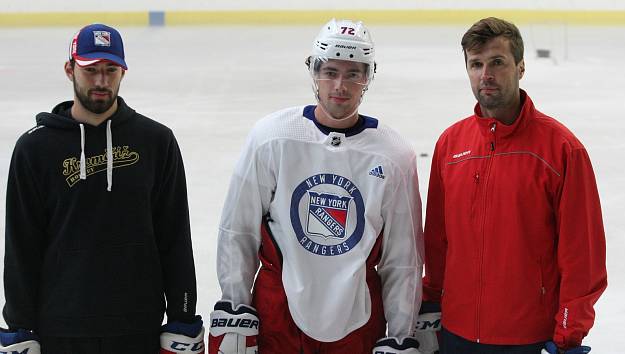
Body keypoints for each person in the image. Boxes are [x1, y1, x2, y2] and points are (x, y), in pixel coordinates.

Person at [208, 19, 424, 354]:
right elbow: (238, 229)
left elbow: (403, 257)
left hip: (358, 321)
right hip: (276, 315)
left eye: (353, 73)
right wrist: (235, 305)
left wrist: (400, 332)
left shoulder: (394, 155)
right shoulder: (272, 138)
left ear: (368, 77)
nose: (340, 85)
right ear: (313, 71)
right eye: (330, 71)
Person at [0, 24, 204, 354]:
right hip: (60, 329)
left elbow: (174, 236)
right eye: (90, 70)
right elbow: (22, 246)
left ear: (123, 72)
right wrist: (19, 327)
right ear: (70, 70)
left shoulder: (155, 142)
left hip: (139, 327)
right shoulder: (34, 149)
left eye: (110, 70)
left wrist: (182, 316)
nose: (100, 81)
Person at [419, 17, 607, 354]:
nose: (485, 74)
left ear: (520, 68)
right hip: (455, 333)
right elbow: (437, 240)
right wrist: (430, 305)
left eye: (497, 62)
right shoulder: (450, 145)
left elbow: (583, 255)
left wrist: (569, 333)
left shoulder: (562, 150)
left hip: (529, 339)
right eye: (475, 64)